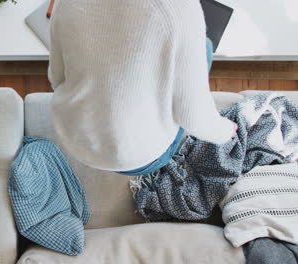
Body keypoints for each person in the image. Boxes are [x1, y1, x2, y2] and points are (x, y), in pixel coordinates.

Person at [48, 0, 237, 176]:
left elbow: (56, 78)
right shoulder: (181, 7)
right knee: (205, 46)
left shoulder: (64, 3)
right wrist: (227, 132)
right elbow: (193, 119)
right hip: (137, 158)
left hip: (76, 140)